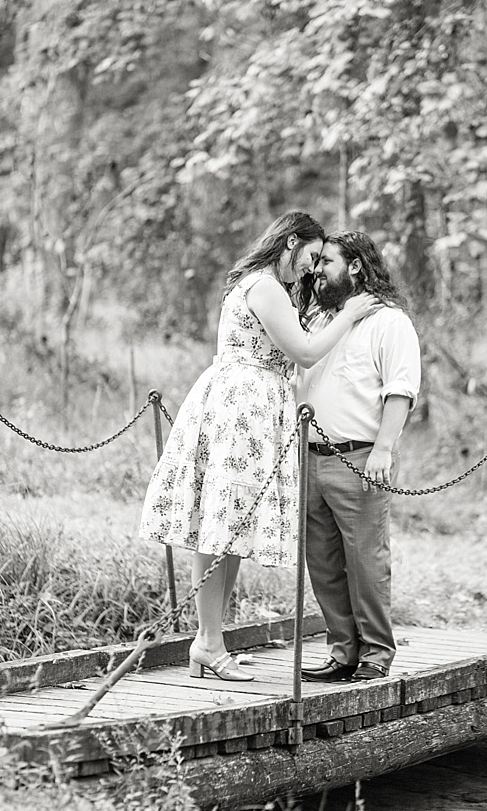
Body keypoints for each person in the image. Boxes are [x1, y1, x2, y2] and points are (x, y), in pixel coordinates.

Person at [139, 211, 380, 682]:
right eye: (312, 255)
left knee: (230, 527)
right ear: (292, 242)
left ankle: (212, 641)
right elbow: (306, 352)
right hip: (242, 407)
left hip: (254, 405)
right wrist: (350, 313)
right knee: (220, 527)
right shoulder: (265, 286)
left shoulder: (267, 286)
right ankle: (207, 642)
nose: (312, 267)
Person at [297, 231, 421, 683]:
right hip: (308, 456)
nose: (317, 270)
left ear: (354, 266)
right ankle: (342, 650)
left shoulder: (390, 322)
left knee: (366, 561)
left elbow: (400, 389)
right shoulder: (314, 320)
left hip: (360, 457)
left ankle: (375, 653)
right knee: (323, 561)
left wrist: (384, 448)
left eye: (327, 261)